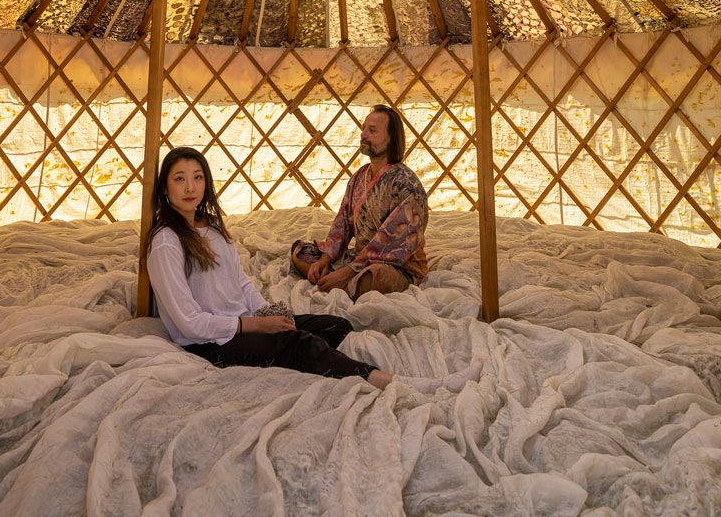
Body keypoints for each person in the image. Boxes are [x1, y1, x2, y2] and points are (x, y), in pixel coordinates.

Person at [145, 146, 481, 394]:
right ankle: (386, 380)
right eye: (179, 179)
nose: (190, 188)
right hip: (209, 341)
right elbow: (188, 322)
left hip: (242, 322)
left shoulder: (213, 229)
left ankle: (319, 361)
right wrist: (257, 325)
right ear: (165, 188)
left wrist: (267, 311)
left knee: (334, 324)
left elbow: (240, 282)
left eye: (197, 178)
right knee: (299, 342)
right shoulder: (166, 241)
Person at [291, 105, 428, 300]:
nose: (363, 134)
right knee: (300, 251)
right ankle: (335, 281)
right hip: (358, 258)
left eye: (372, 131)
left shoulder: (406, 185)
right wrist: (324, 259)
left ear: (391, 139)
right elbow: (342, 225)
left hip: (397, 266)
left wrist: (347, 272)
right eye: (364, 128)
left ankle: (337, 281)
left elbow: (391, 245)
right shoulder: (359, 177)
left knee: (376, 277)